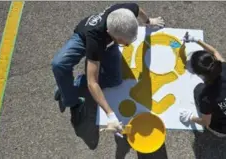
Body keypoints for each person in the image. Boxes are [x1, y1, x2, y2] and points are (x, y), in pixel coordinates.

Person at [51, 3, 165, 135]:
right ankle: (71, 99)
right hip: (84, 39)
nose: (128, 45)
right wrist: (111, 115)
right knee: (59, 64)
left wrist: (149, 21)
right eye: (125, 42)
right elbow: (92, 82)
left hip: (108, 43)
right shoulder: (95, 40)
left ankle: (72, 84)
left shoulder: (126, 12)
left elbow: (138, 9)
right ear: (110, 34)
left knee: (115, 80)